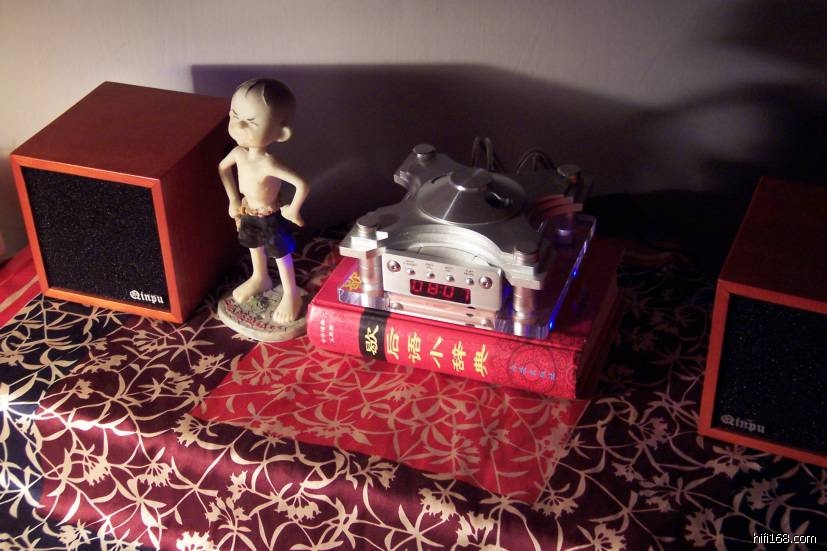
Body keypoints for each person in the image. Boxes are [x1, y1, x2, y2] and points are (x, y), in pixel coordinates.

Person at [218, 78, 309, 324]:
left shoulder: (270, 163)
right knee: (252, 244)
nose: (238, 126)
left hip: (270, 216)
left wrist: (293, 210)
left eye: (251, 122)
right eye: (234, 115)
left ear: (281, 133)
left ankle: (291, 293)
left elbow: (302, 184)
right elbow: (222, 169)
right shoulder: (238, 153)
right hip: (247, 211)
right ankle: (260, 277)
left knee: (280, 253)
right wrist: (233, 199)